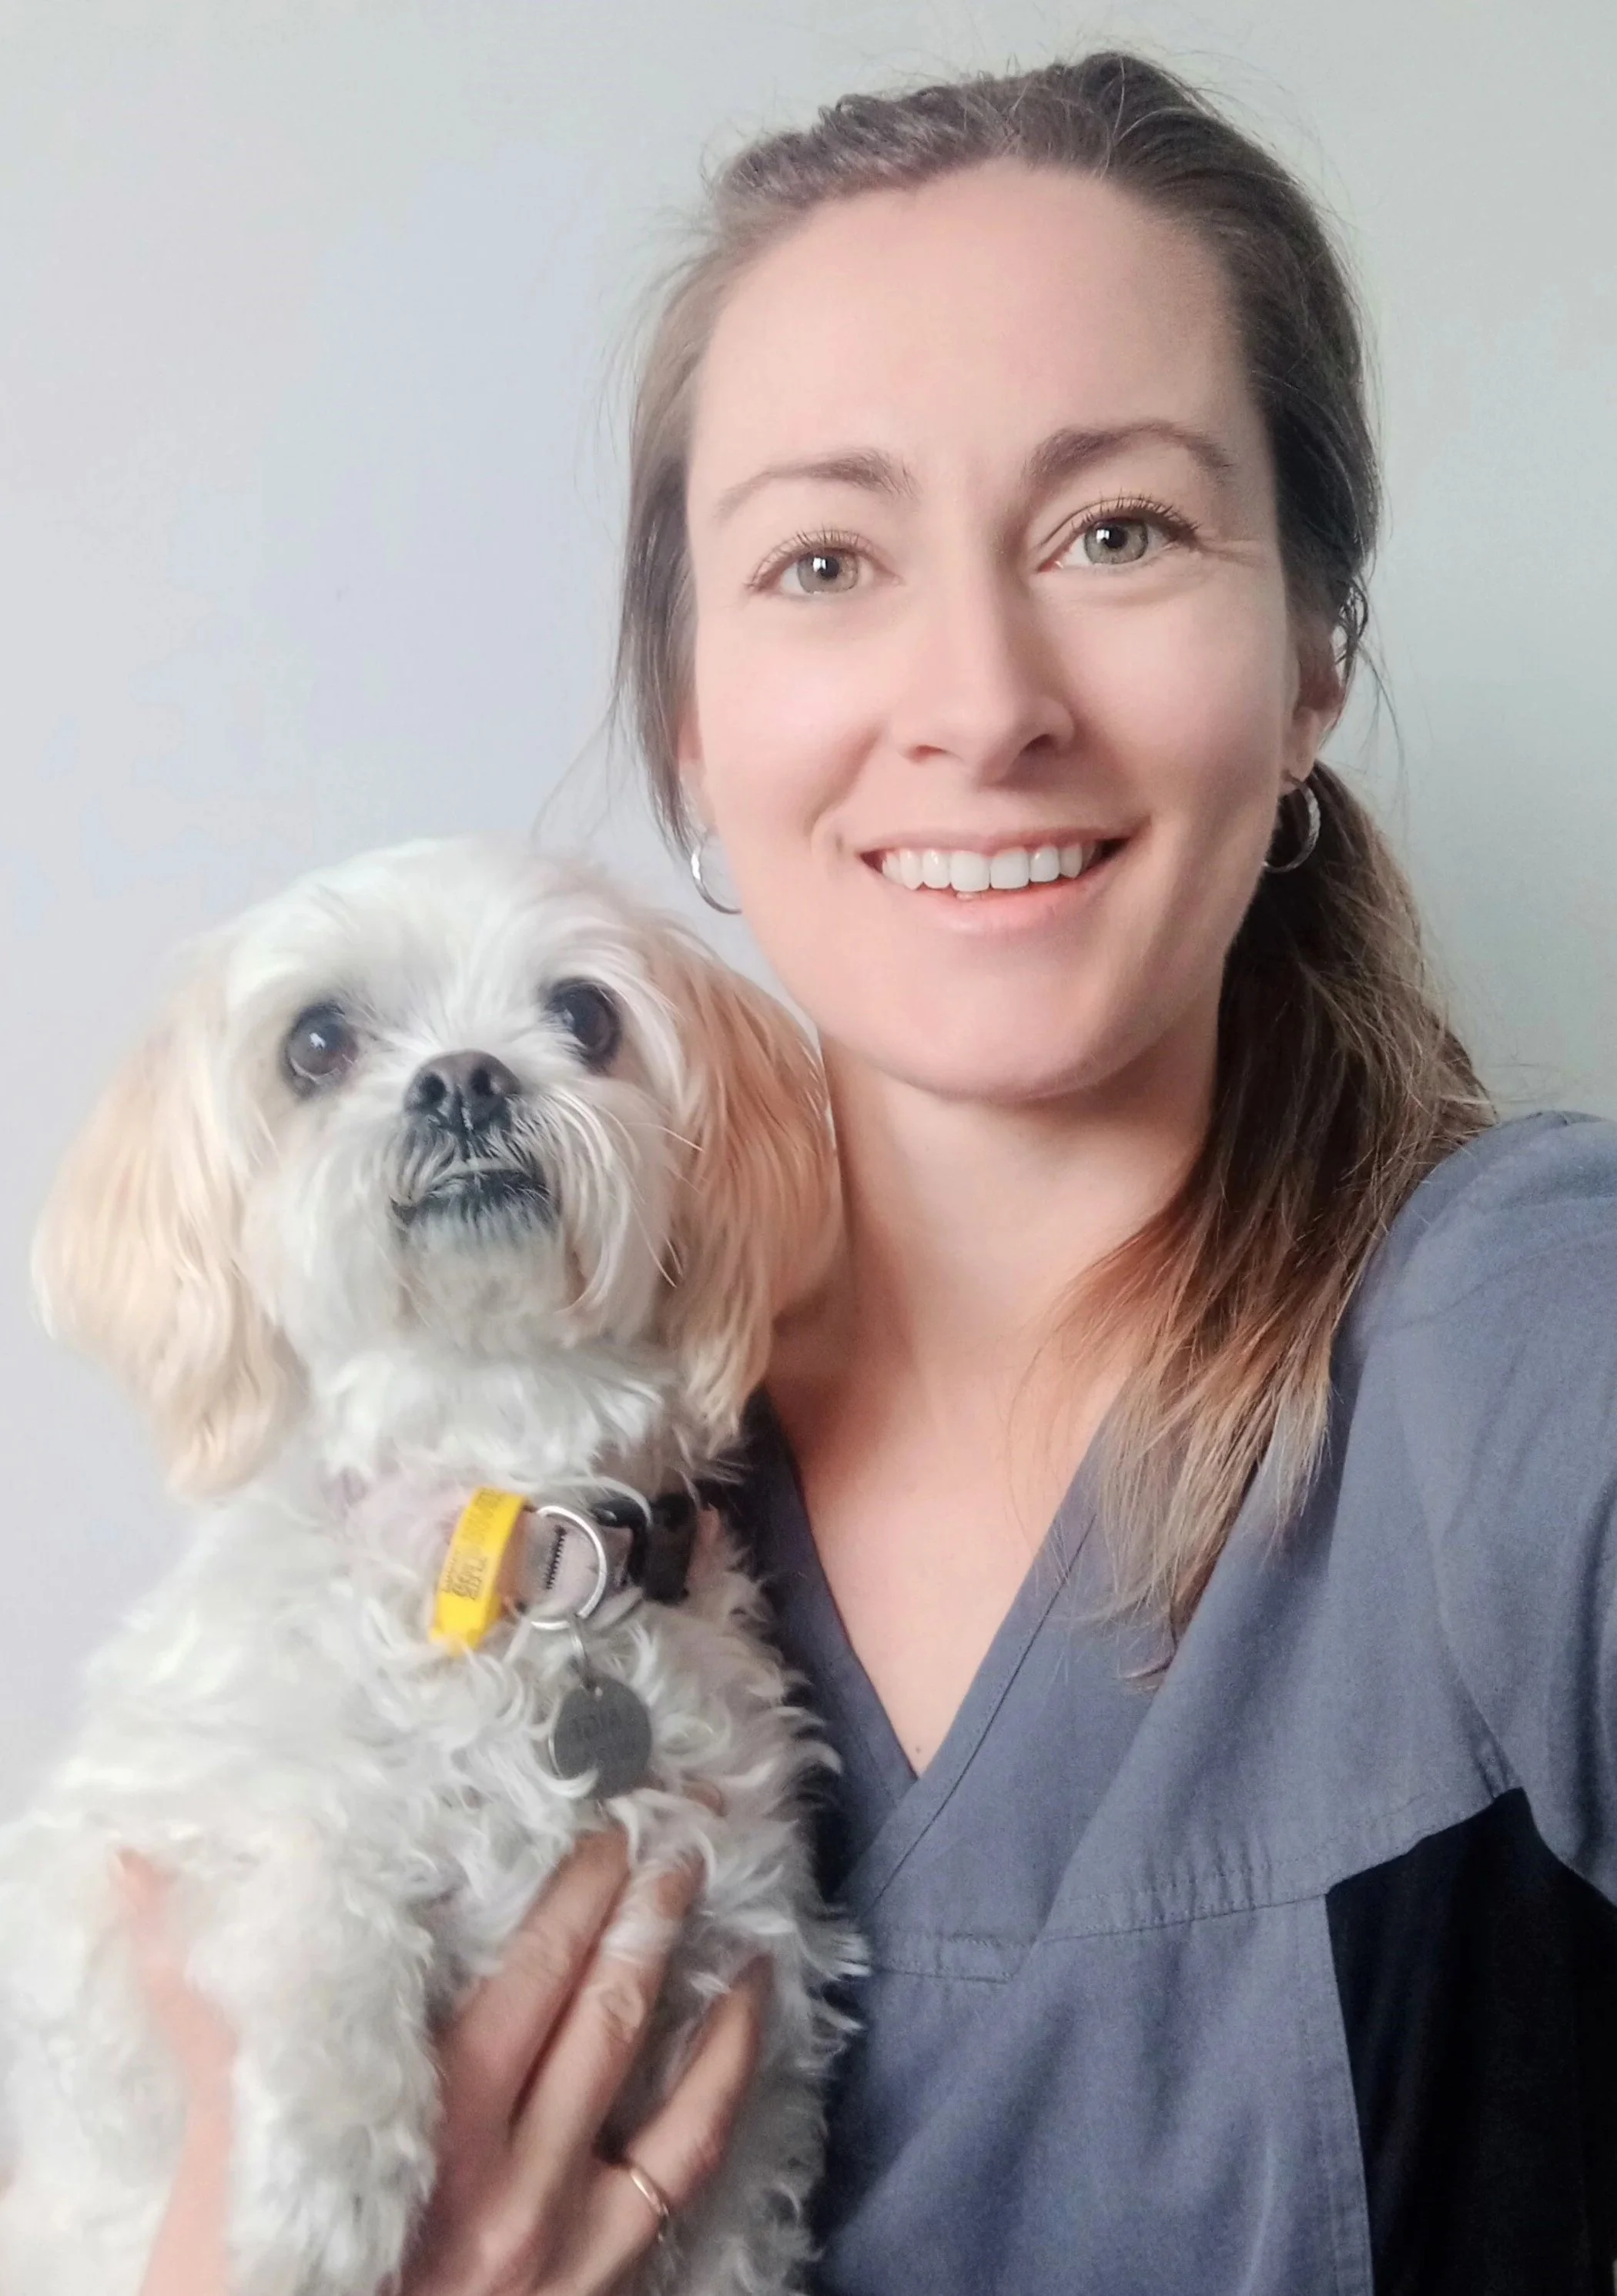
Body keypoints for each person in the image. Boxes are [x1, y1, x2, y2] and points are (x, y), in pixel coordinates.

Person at [124, 49, 1617, 2296]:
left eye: (1118, 530)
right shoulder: (446, 1491)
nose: (982, 700)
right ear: (689, 718)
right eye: (825, 559)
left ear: (1314, 654)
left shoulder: (1528, 1346)